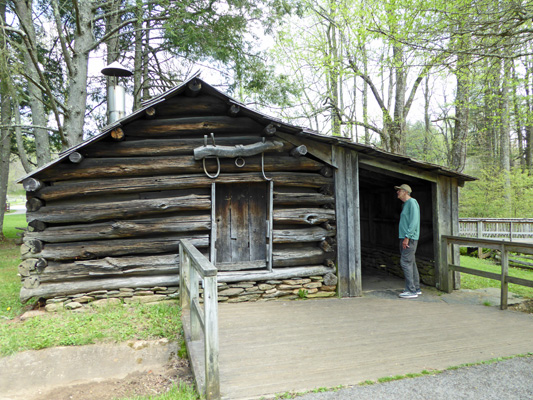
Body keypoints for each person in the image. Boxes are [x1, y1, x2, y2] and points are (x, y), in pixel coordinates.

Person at [395, 184, 421, 299]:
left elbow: (414, 221)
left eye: (399, 190)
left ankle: (411, 290)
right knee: (411, 262)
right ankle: (416, 288)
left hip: (409, 238)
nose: (397, 192)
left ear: (405, 192)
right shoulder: (405, 205)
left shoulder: (412, 203)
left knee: (405, 262)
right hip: (406, 237)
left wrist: (407, 237)